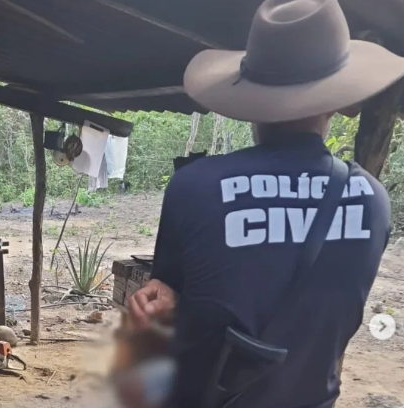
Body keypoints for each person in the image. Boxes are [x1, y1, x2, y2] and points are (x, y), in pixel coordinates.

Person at [129, 0, 404, 407]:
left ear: (250, 95)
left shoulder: (195, 186)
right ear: (335, 98)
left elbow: (170, 303)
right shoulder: (373, 200)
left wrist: (161, 300)